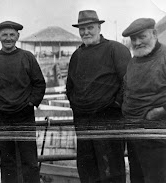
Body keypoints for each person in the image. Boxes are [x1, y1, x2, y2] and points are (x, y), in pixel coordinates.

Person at [66, 10, 131, 183]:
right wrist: (77, 107)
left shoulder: (116, 49)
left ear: (99, 27)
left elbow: (128, 82)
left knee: (111, 169)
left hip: (108, 120)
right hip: (83, 122)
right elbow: (70, 86)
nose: (86, 32)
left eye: (90, 27)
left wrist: (115, 105)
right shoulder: (77, 55)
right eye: (82, 29)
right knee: (87, 169)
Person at [0, 21, 46, 183]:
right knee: (8, 161)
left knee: (30, 161)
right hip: (3, 119)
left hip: (25, 117)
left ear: (17, 36)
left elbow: (39, 83)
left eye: (11, 35)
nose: (8, 38)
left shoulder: (27, 57)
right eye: (4, 35)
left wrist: (31, 103)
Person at [122, 18, 166, 183]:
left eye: (142, 37)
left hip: (158, 137)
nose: (137, 42)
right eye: (133, 39)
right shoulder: (133, 61)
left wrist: (159, 112)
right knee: (138, 179)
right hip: (135, 135)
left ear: (154, 34)